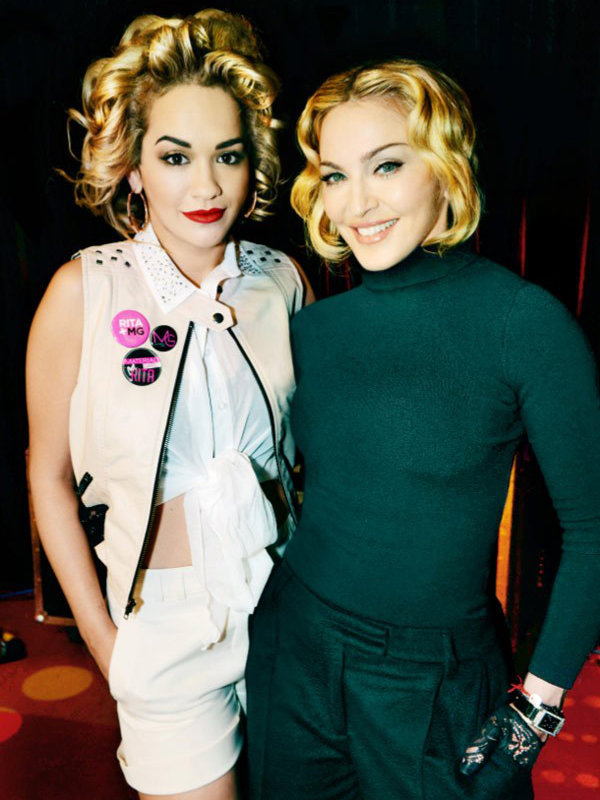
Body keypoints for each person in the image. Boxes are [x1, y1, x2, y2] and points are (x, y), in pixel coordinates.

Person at [245, 59, 600, 800]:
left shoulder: (524, 323)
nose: (357, 203)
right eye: (335, 175)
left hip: (431, 682)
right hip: (294, 647)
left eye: (387, 165)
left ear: (445, 165)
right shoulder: (312, 327)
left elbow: (594, 530)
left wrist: (535, 712)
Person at [26, 9, 312, 799]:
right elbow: (47, 477)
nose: (206, 185)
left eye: (228, 155)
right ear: (135, 168)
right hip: (162, 625)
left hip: (284, 609)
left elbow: (309, 458)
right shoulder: (83, 290)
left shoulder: (282, 282)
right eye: (176, 156)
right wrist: (107, 644)